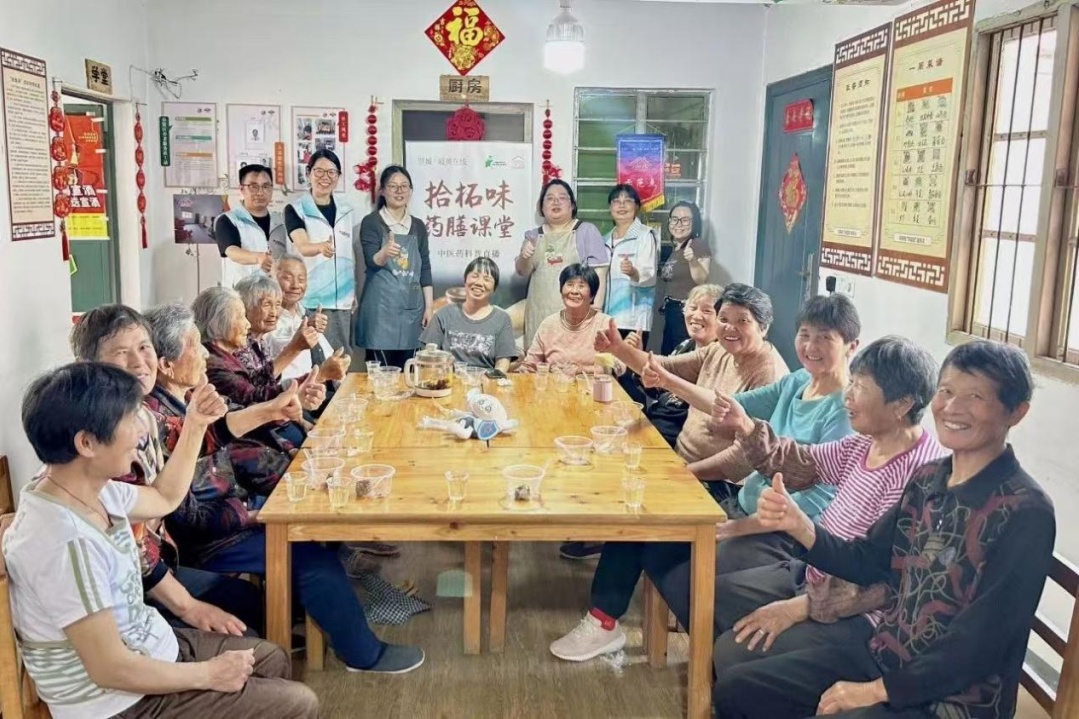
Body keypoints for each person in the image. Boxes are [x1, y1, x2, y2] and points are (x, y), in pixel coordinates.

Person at [714, 340, 1055, 719]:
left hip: (951, 699)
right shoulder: (929, 479)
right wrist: (801, 526)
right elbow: (869, 561)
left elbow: (980, 645)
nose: (953, 407)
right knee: (739, 690)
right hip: (885, 654)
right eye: (946, 391)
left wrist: (877, 690)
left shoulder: (1025, 511)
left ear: (1017, 412)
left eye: (975, 396)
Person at [549, 293, 859, 661]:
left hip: (777, 532)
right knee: (643, 522)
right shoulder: (796, 382)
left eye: (825, 338)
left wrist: (733, 525)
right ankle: (606, 623)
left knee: (678, 571)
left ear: (851, 346)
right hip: (741, 503)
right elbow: (725, 406)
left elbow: (811, 505)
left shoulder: (844, 410)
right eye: (805, 335)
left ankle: (722, 657)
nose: (811, 346)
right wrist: (663, 378)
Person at [6, 362, 320, 718]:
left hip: (150, 647)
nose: (142, 431)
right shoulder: (64, 542)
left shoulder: (86, 486)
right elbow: (110, 668)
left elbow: (164, 497)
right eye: (129, 421)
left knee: (272, 659)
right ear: (86, 443)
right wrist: (208, 674)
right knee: (299, 704)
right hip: (119, 702)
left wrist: (195, 425)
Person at [143, 304, 426, 674]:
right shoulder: (158, 422)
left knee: (318, 525)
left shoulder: (189, 397)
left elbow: (238, 436)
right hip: (212, 538)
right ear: (166, 365)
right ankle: (362, 655)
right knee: (312, 560)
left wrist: (287, 446)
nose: (204, 355)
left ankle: (313, 616)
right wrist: (255, 513)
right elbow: (185, 516)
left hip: (236, 509)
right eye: (195, 346)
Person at [667, 336, 947, 643]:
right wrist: (745, 427)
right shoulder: (864, 443)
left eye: (861, 388)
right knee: (690, 590)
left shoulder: (919, 475)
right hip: (813, 570)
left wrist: (802, 605)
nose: (848, 396)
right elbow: (801, 463)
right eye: (851, 383)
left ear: (902, 405)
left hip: (852, 608)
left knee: (732, 646)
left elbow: (883, 580)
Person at [69, 305, 267, 635]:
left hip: (161, 560)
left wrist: (202, 421)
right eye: (121, 353)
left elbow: (189, 446)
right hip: (125, 590)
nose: (139, 362)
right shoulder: (100, 440)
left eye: (144, 347)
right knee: (249, 627)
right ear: (89, 366)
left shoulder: (143, 415)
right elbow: (132, 544)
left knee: (249, 604)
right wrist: (188, 607)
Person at [558, 283, 787, 562]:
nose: (730, 327)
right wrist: (617, 348)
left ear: (764, 327)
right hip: (682, 463)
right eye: (724, 319)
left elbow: (742, 460)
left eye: (743, 321)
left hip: (723, 487)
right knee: (622, 489)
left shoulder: (768, 373)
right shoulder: (718, 351)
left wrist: (684, 473)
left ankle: (619, 585)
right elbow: (663, 367)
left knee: (637, 522)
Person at [194, 286, 326, 432]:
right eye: (240, 317)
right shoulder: (212, 364)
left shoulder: (230, 354)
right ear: (218, 323)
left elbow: (257, 384)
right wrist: (296, 391)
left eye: (278, 304)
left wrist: (297, 389)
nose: (247, 324)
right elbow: (253, 400)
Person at [355, 165, 433, 369]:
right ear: (382, 191)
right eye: (393, 186)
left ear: (410, 190)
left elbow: (425, 268)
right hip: (380, 312)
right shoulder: (371, 222)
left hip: (411, 311)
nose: (399, 191)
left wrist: (429, 307)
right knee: (380, 376)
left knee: (410, 375)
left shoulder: (418, 226)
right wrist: (384, 252)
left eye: (404, 186)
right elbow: (371, 261)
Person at [516, 180, 610, 349]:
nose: (556, 202)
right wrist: (524, 256)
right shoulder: (533, 236)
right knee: (539, 361)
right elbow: (523, 271)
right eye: (550, 198)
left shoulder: (586, 231)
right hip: (539, 315)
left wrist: (595, 310)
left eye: (562, 198)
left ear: (572, 205)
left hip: (576, 315)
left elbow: (600, 272)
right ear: (542, 207)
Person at [283, 148, 357, 352]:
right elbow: (302, 246)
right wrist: (320, 247)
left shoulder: (346, 210)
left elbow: (349, 253)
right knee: (313, 355)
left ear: (338, 176)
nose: (326, 177)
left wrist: (354, 289)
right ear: (309, 173)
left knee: (341, 356)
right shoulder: (295, 209)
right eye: (319, 171)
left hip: (343, 299)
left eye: (332, 172)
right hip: (311, 298)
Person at [518, 263, 620, 374]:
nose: (574, 291)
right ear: (561, 290)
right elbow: (530, 365)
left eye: (581, 286)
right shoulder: (549, 324)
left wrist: (581, 370)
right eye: (570, 284)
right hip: (556, 384)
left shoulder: (605, 323)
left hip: (593, 385)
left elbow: (618, 366)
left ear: (592, 295)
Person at [421, 256, 517, 371]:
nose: (479, 283)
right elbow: (428, 354)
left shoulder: (501, 319)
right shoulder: (443, 315)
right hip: (448, 379)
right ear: (465, 280)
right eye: (475, 276)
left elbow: (503, 362)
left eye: (487, 279)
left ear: (494, 288)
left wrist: (495, 379)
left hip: (486, 380)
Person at [651, 201, 711, 354]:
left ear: (694, 223)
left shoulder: (697, 245)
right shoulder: (677, 247)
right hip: (671, 310)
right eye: (674, 219)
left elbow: (701, 279)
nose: (678, 224)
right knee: (669, 356)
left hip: (685, 312)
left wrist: (693, 260)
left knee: (680, 358)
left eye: (685, 220)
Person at [603, 184, 659, 349]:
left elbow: (649, 275)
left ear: (637, 207)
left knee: (630, 364)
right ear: (610, 208)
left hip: (633, 319)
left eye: (627, 201)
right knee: (607, 363)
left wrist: (633, 272)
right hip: (606, 318)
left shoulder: (645, 235)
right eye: (616, 201)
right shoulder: (604, 240)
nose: (621, 205)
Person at [214, 164, 284, 289]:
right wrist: (258, 257)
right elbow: (232, 251)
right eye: (253, 186)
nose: (260, 192)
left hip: (273, 294)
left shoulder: (280, 222)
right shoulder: (228, 220)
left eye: (266, 186)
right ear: (242, 189)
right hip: (240, 294)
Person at [267, 255, 337, 381]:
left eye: (301, 279)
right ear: (272, 279)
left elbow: (328, 358)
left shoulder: (306, 315)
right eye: (287, 278)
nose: (295, 286)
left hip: (314, 387)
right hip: (283, 389)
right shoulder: (265, 318)